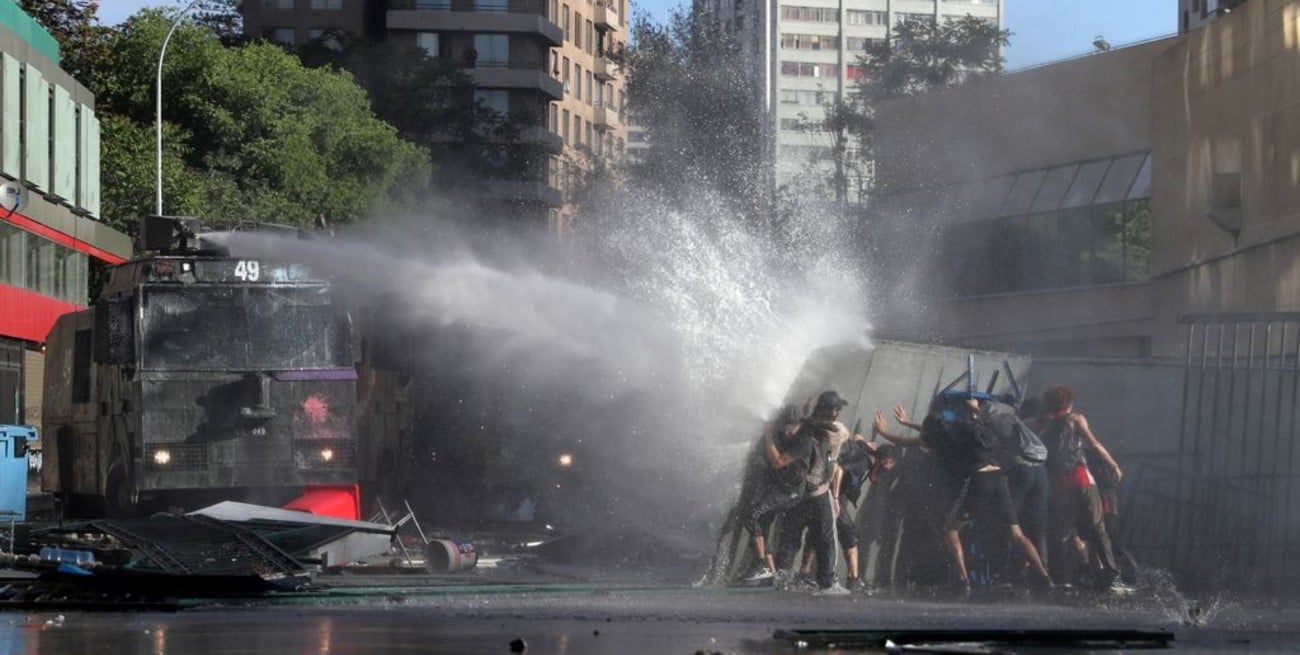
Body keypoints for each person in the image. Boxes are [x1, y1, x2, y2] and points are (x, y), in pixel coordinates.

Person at [874, 398, 1053, 594]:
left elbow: (908, 441)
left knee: (951, 529)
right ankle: (1043, 575)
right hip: (999, 477)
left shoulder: (940, 440)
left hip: (980, 479)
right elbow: (932, 432)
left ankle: (962, 578)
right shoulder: (965, 428)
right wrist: (908, 423)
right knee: (1017, 533)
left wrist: (884, 433)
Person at [1038, 385, 1130, 592]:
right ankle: (1111, 576)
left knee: (1063, 532)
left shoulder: (1043, 423)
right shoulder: (1076, 420)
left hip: (1059, 484)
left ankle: (1062, 576)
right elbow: (1095, 445)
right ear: (1069, 403)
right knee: (1098, 529)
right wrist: (1113, 465)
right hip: (1081, 480)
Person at [772, 390, 853, 595]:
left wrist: (806, 420)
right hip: (817, 492)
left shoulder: (806, 427)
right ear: (831, 411)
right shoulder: (830, 430)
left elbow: (792, 434)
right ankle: (827, 582)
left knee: (790, 538)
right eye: (837, 409)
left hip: (798, 492)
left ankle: (782, 579)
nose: (839, 412)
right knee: (826, 537)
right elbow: (838, 443)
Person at [738, 403, 808, 581]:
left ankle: (761, 565)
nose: (788, 431)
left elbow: (777, 461)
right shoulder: (792, 431)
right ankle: (771, 573)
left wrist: (769, 435)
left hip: (789, 492)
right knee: (761, 524)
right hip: (779, 488)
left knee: (752, 516)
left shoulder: (799, 440)